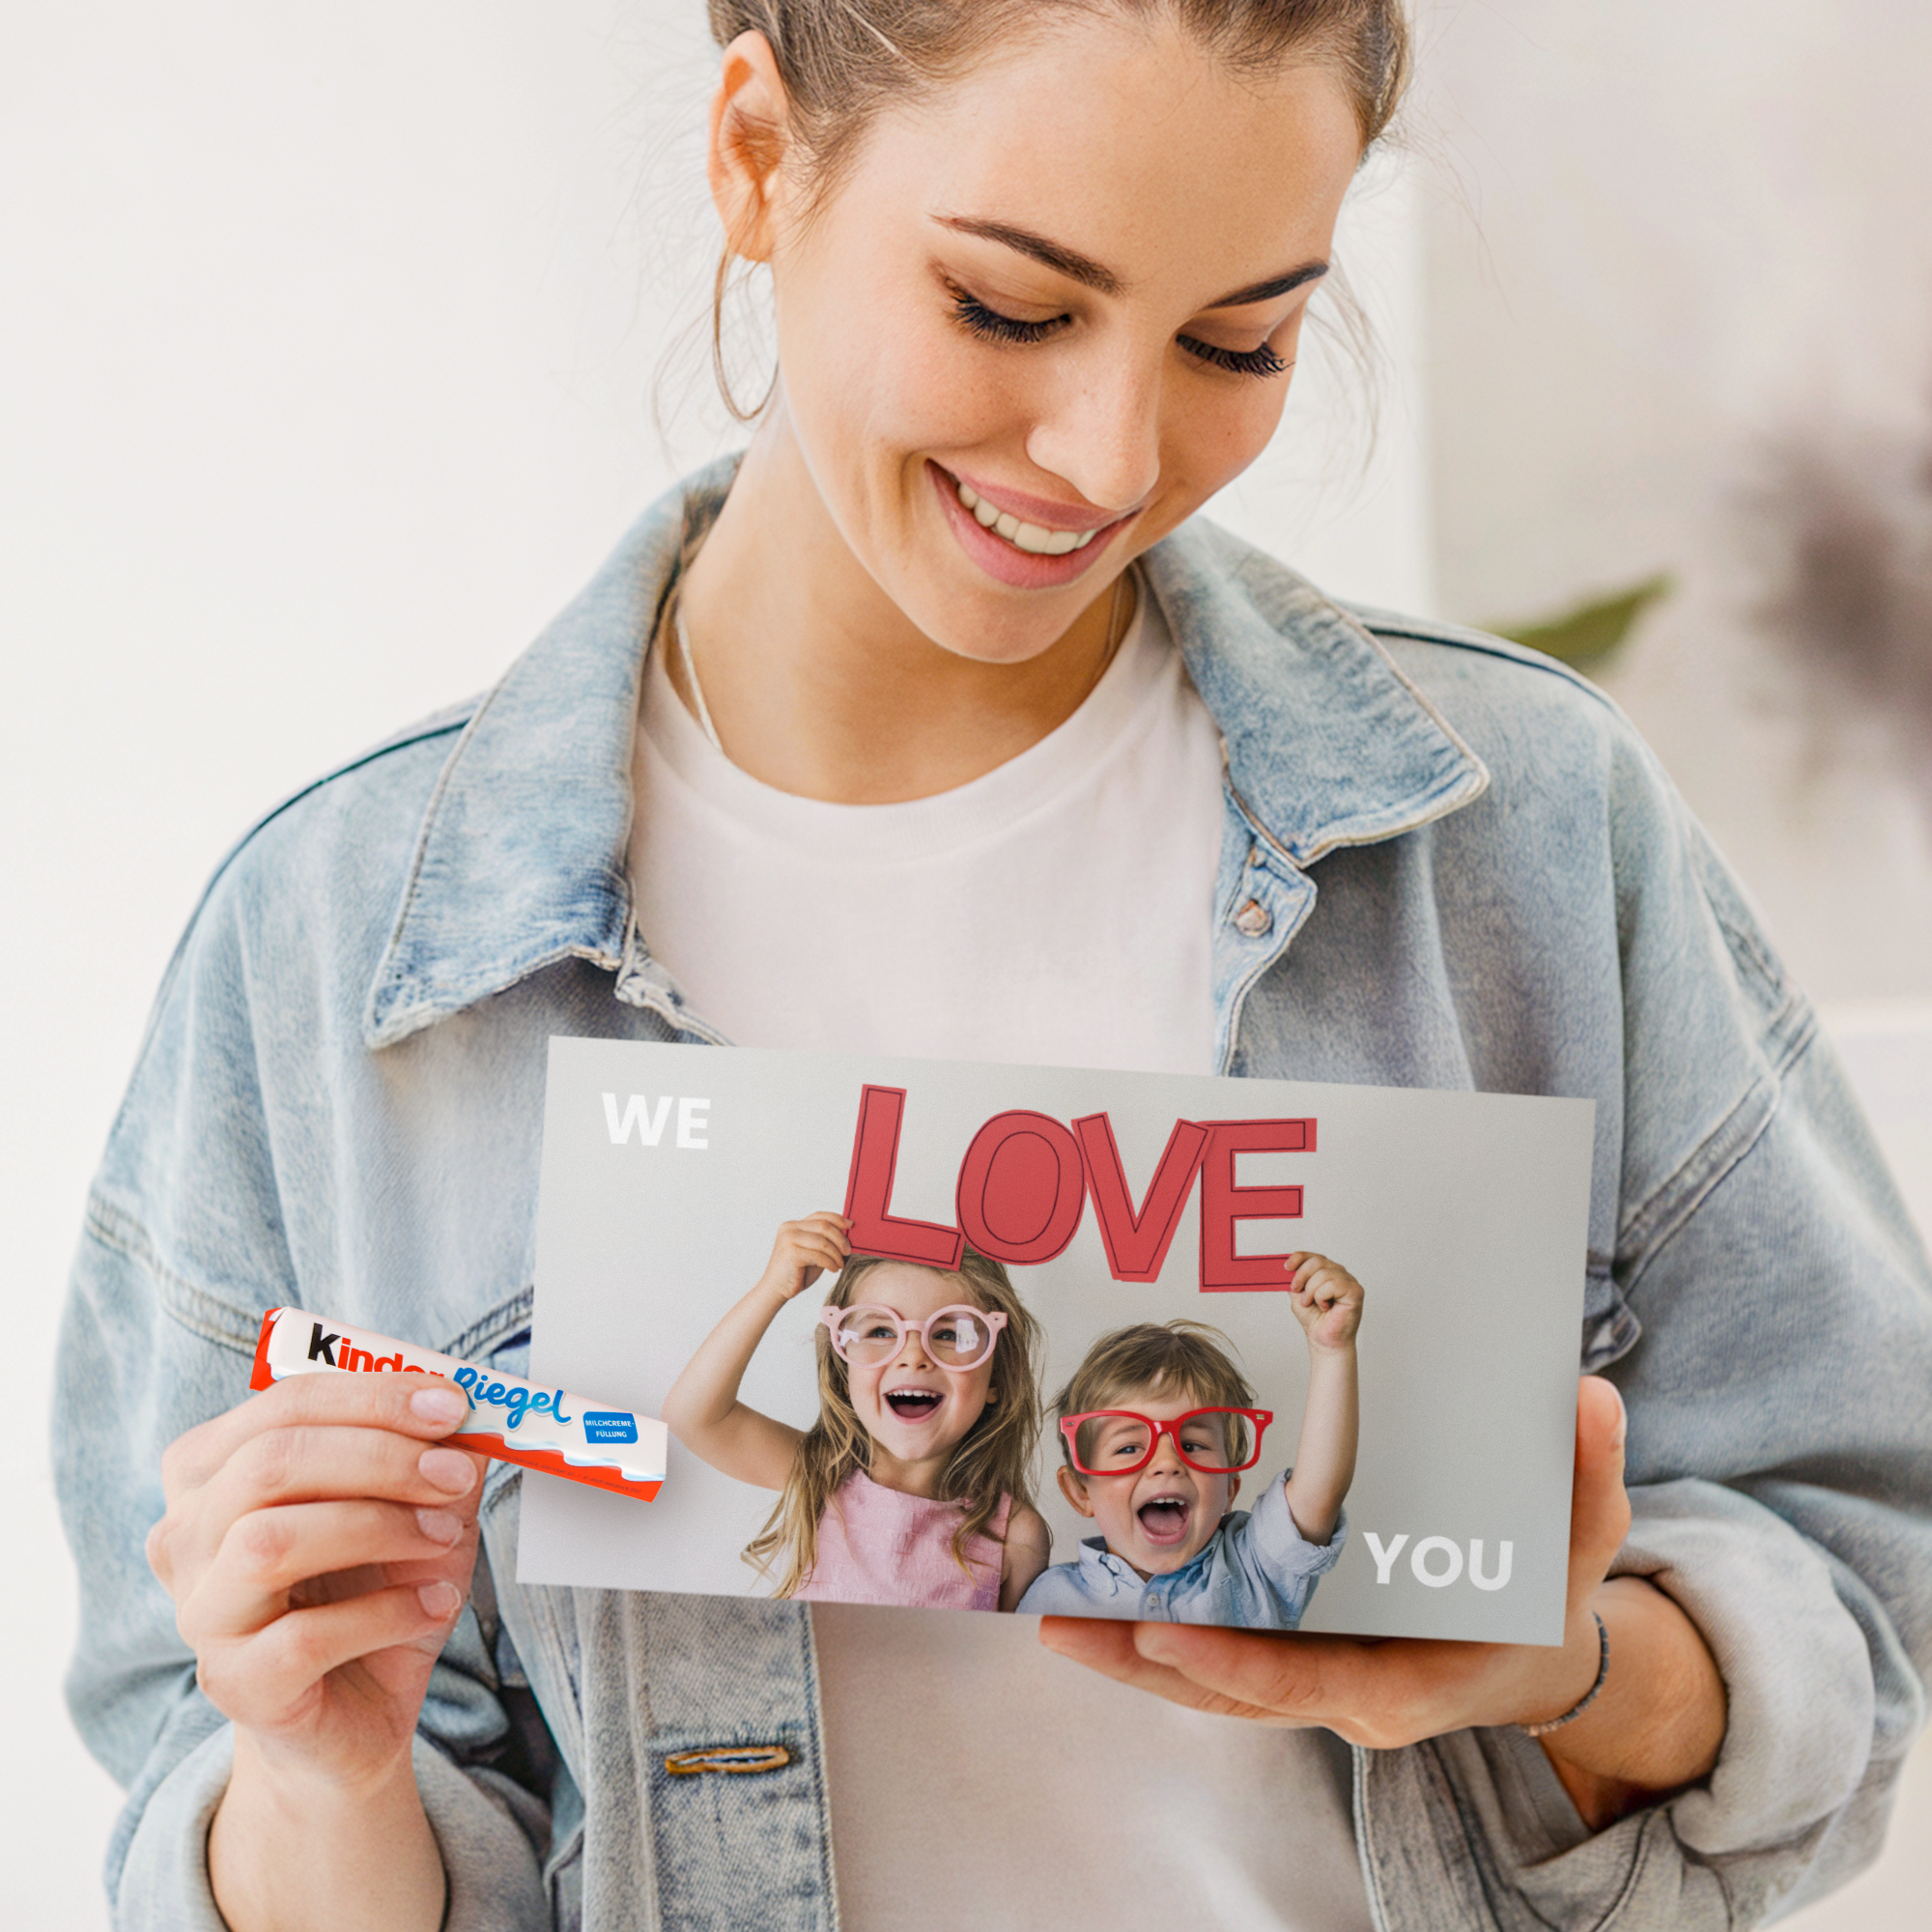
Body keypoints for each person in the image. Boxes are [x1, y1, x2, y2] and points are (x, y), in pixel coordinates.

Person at [54, 2, 1932, 1928]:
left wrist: (1576, 1673)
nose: (1110, 454)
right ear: (756, 155)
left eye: (1239, 340)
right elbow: (236, 1782)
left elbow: (1858, 1577)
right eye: (1010, 309)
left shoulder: (1522, 832)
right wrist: (317, 1765)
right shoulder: (336, 948)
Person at [661, 1212, 1051, 1609]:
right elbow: (692, 1415)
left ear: (997, 1375)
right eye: (881, 1332)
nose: (913, 1356)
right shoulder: (819, 1476)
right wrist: (772, 1289)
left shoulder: (1016, 1535)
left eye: (949, 1334)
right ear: (843, 1368)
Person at [1019, 1255, 1360, 1625]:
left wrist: (1332, 1350)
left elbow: (1319, 1492)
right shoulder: (1049, 1599)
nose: (1167, 1462)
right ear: (1080, 1491)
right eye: (1129, 1447)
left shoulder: (1256, 1568)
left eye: (1193, 1444)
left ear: (1230, 1487)